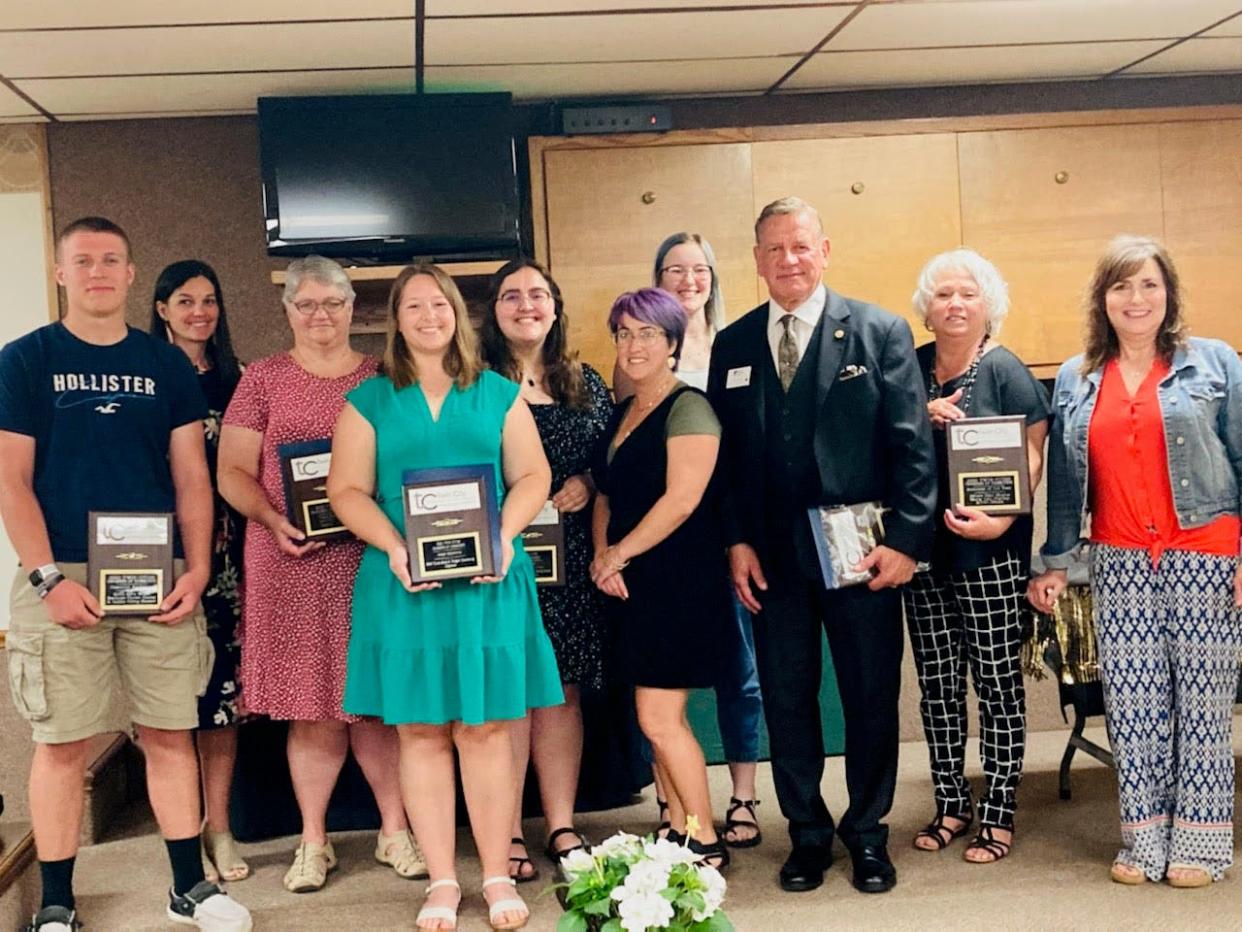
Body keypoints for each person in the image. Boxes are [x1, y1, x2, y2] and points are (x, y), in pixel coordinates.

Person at [0, 217, 250, 931]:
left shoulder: (165, 364)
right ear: (61, 273)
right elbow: (10, 481)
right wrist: (49, 577)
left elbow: (191, 477)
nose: (98, 271)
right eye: (83, 261)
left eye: (112, 259)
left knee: (171, 732)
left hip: (155, 567)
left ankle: (187, 889)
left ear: (132, 275)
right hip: (61, 572)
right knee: (62, 744)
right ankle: (55, 903)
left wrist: (198, 568)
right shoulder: (24, 360)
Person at [707, 196, 936, 895]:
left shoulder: (878, 331)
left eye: (801, 246)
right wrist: (735, 542)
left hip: (861, 552)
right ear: (757, 261)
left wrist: (905, 542)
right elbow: (728, 462)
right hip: (773, 558)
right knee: (786, 697)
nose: (789, 260)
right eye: (774, 249)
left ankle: (867, 833)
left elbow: (913, 449)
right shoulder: (735, 344)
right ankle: (806, 833)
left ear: (825, 250)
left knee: (869, 695)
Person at [330, 262, 563, 931]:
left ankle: (493, 873)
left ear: (458, 315)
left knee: (487, 730)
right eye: (413, 308)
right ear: (395, 321)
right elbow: (346, 490)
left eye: (440, 305)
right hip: (405, 585)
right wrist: (394, 547)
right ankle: (439, 879)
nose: (429, 317)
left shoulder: (497, 392)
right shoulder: (368, 401)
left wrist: (505, 535)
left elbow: (532, 475)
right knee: (422, 735)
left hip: (488, 584)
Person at [1029, 235, 1242, 888]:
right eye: (1122, 286)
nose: (1136, 297)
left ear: (1169, 292)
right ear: (1103, 299)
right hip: (1119, 562)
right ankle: (1144, 841)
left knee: (1202, 707)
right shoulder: (1076, 376)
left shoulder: (1214, 363)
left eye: (1149, 284)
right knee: (1134, 706)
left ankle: (1202, 846)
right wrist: (1055, 562)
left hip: (1206, 553)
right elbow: (1067, 484)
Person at [217, 255, 422, 894]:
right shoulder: (262, 381)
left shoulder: (384, 377)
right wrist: (271, 519)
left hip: (369, 560)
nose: (320, 315)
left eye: (332, 302)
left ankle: (395, 832)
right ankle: (313, 840)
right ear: (287, 311)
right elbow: (231, 471)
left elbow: (410, 461)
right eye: (305, 304)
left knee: (378, 706)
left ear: (352, 306)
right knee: (313, 708)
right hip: (291, 560)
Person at [904, 249, 1050, 864]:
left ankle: (998, 811)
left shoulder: (1008, 371)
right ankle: (950, 803)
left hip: (990, 555)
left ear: (989, 303)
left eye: (967, 293)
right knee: (936, 686)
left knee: (995, 684)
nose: (955, 304)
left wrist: (1002, 520)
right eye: (942, 295)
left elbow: (1035, 457)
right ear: (926, 309)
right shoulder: (907, 369)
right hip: (922, 554)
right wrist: (917, 413)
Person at [620, 234, 765, 848]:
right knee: (659, 704)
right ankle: (676, 812)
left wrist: (738, 537)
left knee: (739, 673)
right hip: (651, 557)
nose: (687, 278)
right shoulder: (631, 365)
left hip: (716, 536)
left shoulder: (737, 345)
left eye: (698, 269)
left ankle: (740, 798)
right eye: (672, 269)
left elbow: (721, 468)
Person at [591, 287, 733, 871]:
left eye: (647, 333)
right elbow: (605, 491)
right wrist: (603, 557)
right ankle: (675, 825)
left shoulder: (689, 406)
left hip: (677, 584)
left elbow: (682, 500)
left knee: (659, 718)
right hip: (626, 583)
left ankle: (704, 839)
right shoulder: (625, 410)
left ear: (673, 342)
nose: (633, 344)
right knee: (649, 719)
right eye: (623, 333)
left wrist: (618, 553)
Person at [480, 258, 612, 881]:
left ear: (555, 307)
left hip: (571, 562)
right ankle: (504, 829)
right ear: (493, 310)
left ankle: (560, 825)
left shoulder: (585, 380)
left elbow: (617, 455)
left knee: (561, 693)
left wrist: (587, 478)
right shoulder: (471, 382)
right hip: (498, 559)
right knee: (507, 697)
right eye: (511, 295)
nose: (525, 305)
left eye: (537, 294)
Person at [149, 259, 249, 883]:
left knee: (222, 702)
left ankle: (221, 829)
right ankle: (180, 836)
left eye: (209, 300)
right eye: (184, 301)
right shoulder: (144, 372)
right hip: (159, 553)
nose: (198, 313)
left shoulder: (237, 379)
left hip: (230, 560)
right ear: (161, 308)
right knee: (166, 700)